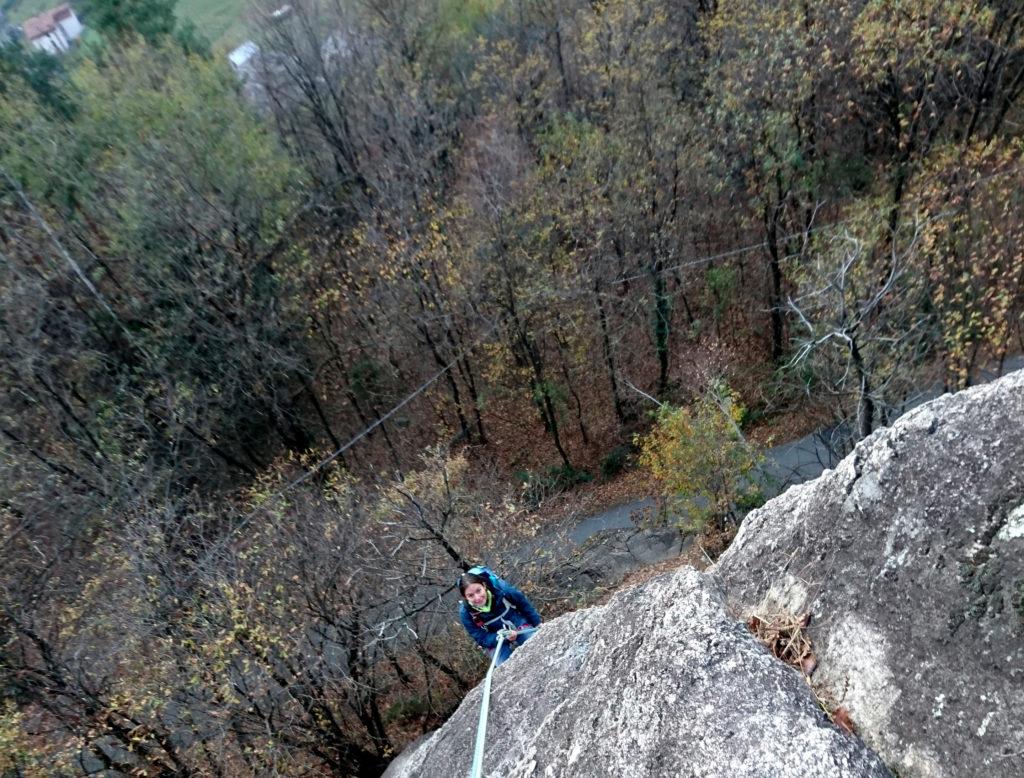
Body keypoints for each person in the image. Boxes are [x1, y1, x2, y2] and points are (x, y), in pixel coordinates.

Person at [458, 566, 542, 666]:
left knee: (536, 643)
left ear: (484, 586)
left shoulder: (502, 590)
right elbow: (480, 638)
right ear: (465, 597)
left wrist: (537, 623)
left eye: (478, 590)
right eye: (471, 595)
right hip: (494, 638)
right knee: (505, 666)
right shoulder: (466, 613)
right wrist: (502, 637)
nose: (477, 597)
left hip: (515, 622)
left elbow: (523, 604)